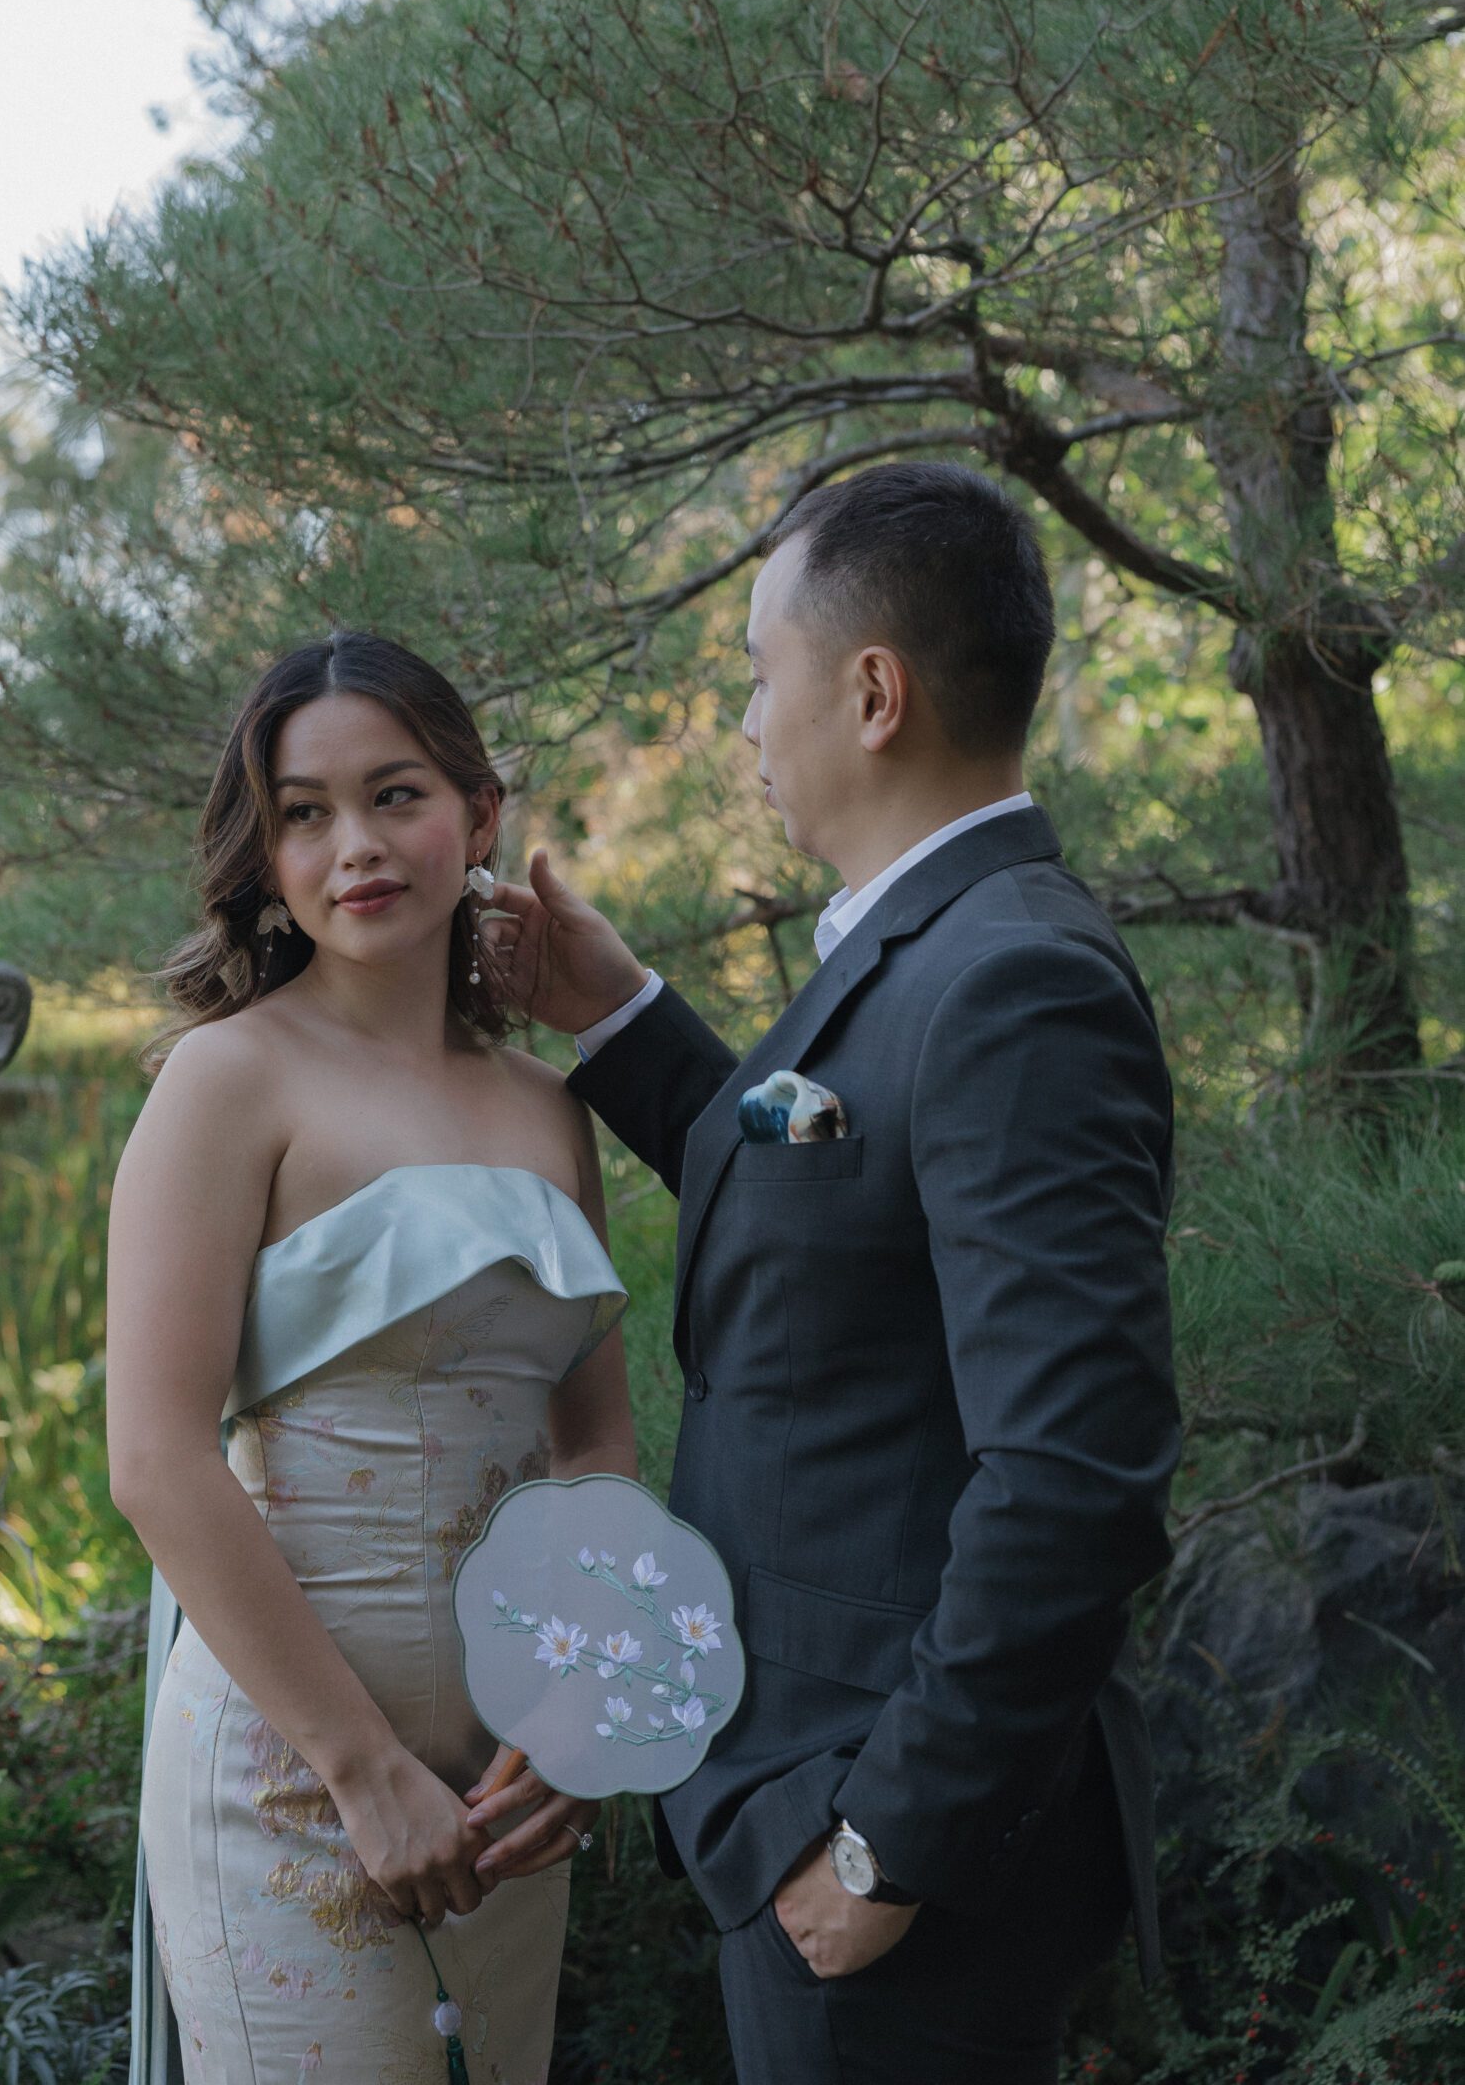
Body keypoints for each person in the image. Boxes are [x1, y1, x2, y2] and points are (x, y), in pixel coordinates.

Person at [486, 462, 1182, 2085]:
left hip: (887, 1836)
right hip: (809, 1796)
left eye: (757, 676)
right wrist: (621, 1023)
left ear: (872, 693)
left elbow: (1078, 1475)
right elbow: (841, 1215)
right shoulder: (940, 947)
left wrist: (885, 1843)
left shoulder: (1013, 978)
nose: (745, 726)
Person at [109, 632, 637, 2085]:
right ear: (263, 849)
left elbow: (593, 1440)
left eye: (395, 794)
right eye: (303, 811)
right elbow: (154, 1458)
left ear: (479, 815)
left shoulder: (546, 1107)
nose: (355, 845)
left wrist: (577, 1714)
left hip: (506, 1782)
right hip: (294, 1785)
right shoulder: (229, 1080)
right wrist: (362, 1769)